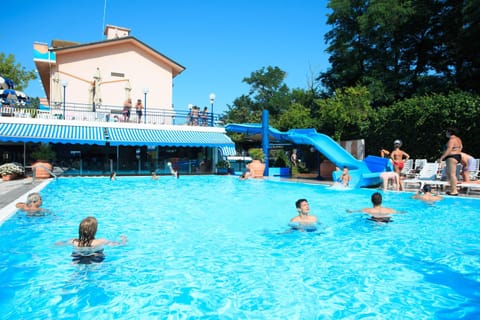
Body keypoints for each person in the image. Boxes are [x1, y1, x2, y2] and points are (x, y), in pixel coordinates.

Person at [55, 216, 127, 264]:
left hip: (77, 260)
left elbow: (59, 244)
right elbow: (119, 245)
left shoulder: (74, 241)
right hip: (96, 260)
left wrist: (58, 242)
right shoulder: (100, 241)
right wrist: (124, 240)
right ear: (95, 230)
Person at [438, 128, 463, 196]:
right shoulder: (458, 139)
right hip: (457, 156)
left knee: (452, 174)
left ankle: (454, 191)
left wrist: (441, 158)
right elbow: (461, 147)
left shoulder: (451, 140)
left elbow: (449, 149)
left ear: (449, 132)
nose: (446, 134)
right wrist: (457, 152)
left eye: (446, 132)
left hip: (452, 157)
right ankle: (452, 189)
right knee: (449, 173)